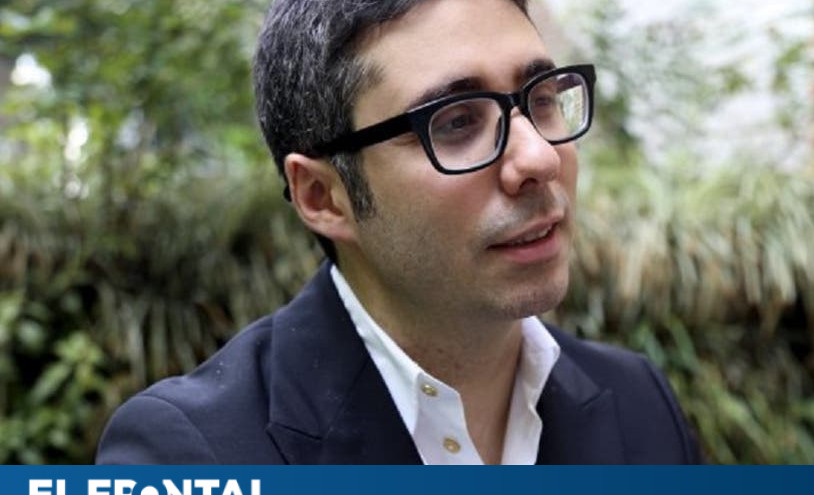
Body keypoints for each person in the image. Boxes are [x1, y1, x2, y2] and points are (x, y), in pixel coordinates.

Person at [96, 0, 702, 465]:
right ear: (323, 196)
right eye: (456, 122)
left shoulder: (639, 405)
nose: (540, 158)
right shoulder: (192, 457)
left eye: (541, 98)